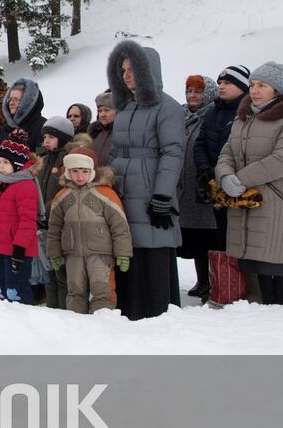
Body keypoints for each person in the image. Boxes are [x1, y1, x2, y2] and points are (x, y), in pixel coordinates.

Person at [215, 62, 283, 305]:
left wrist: (240, 179)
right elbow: (228, 152)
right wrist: (225, 176)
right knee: (254, 264)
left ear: (276, 90)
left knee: (278, 260)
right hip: (246, 201)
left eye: (262, 86)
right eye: (252, 85)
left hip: (278, 201)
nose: (254, 90)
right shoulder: (244, 116)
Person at [106, 41, 185, 320]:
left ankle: (157, 309)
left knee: (152, 247)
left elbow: (173, 152)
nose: (127, 75)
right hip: (124, 188)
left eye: (132, 69)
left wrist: (163, 195)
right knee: (129, 247)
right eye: (123, 70)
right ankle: (130, 307)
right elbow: (116, 150)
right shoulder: (126, 107)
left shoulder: (168, 107)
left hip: (151, 188)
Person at [46, 146, 132, 313]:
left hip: (100, 255)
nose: (80, 176)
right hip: (73, 255)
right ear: (68, 172)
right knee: (75, 291)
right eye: (75, 171)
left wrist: (123, 253)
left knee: (103, 291)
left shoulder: (105, 194)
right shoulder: (62, 196)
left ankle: (103, 323)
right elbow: (54, 229)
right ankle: (77, 325)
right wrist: (54, 252)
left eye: (84, 171)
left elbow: (120, 227)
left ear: (93, 171)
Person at [196, 65, 251, 305]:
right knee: (220, 237)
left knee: (241, 238)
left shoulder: (247, 111)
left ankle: (247, 289)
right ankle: (224, 287)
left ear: (241, 86)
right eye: (219, 82)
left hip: (241, 185)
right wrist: (206, 171)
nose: (221, 86)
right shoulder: (213, 111)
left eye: (227, 82)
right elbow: (201, 143)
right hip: (215, 184)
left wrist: (230, 175)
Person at [178, 75, 218, 300]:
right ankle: (202, 279)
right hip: (182, 187)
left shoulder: (211, 116)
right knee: (191, 237)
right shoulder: (180, 116)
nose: (192, 95)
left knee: (207, 237)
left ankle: (213, 281)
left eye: (198, 91)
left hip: (203, 185)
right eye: (189, 91)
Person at [32, 115, 79, 308]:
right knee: (48, 269)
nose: (46, 141)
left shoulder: (68, 161)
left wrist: (47, 211)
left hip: (60, 222)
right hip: (43, 223)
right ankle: (52, 307)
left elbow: (66, 192)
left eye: (51, 137)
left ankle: (64, 309)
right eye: (45, 137)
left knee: (61, 271)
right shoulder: (41, 158)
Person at [0, 131, 40, 304]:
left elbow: (27, 222)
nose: (0, 167)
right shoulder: (4, 183)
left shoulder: (25, 186)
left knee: (15, 290)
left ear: (17, 164)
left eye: (5, 162)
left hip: (17, 250)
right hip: (2, 247)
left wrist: (19, 249)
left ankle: (25, 322)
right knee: (3, 288)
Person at [0, 77, 46, 155]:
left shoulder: (41, 127)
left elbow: (41, 161)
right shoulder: (7, 128)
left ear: (27, 102)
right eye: (10, 99)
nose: (11, 103)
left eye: (16, 99)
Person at [89, 91, 116, 168]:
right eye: (100, 111)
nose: (102, 115)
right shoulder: (95, 133)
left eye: (106, 110)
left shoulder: (123, 133)